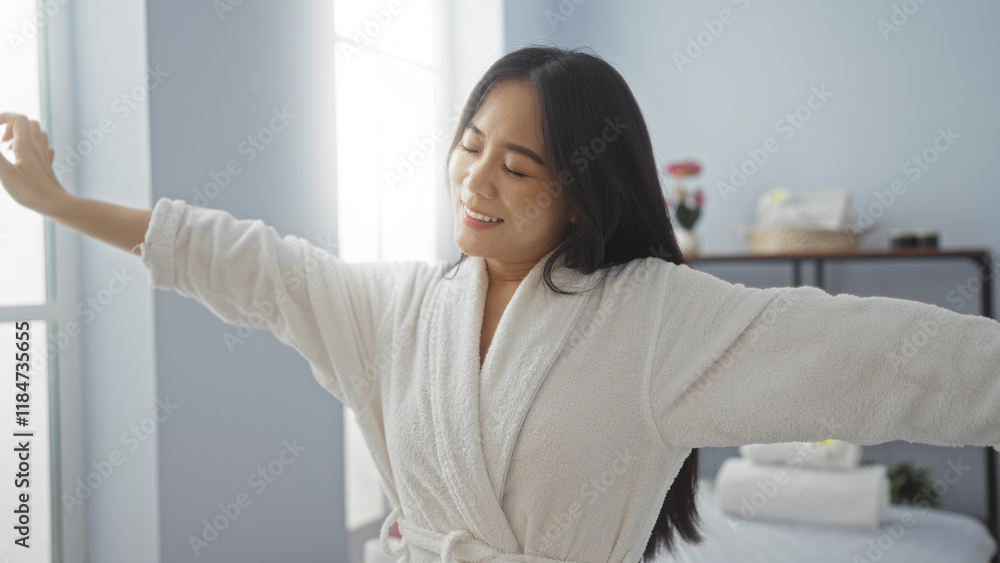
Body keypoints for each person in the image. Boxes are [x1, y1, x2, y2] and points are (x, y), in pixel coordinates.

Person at [2, 45, 999, 563]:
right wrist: (59, 202)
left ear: (581, 190)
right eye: (469, 144)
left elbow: (879, 353)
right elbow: (248, 262)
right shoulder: (395, 313)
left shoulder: (655, 318)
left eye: (517, 163)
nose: (475, 180)